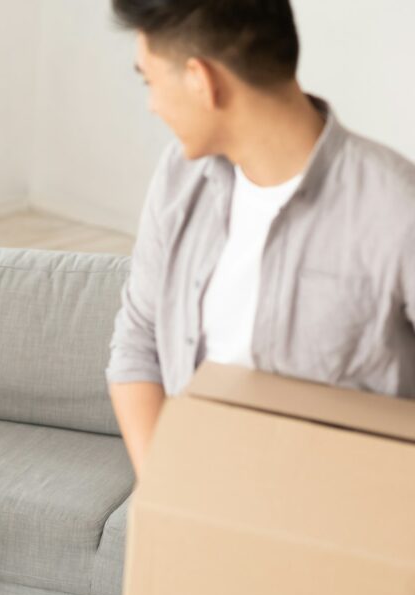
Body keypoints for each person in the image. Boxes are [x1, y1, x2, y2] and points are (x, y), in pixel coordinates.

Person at [105, 0, 415, 476]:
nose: (151, 104)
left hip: (343, 521)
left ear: (201, 80)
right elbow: (137, 342)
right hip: (194, 503)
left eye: (150, 81)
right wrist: (167, 498)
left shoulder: (395, 206)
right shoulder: (178, 179)